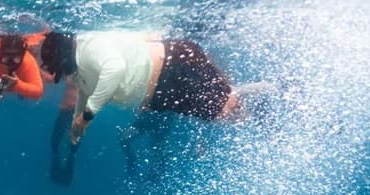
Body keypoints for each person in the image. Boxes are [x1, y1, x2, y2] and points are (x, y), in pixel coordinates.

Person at [38, 30, 272, 146]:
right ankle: (259, 110)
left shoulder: (89, 48)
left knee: (225, 106)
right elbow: (86, 90)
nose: (54, 72)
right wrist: (78, 123)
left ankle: (267, 93)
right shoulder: (77, 67)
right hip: (159, 92)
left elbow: (115, 69)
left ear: (62, 55)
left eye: (53, 65)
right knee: (221, 114)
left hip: (173, 66)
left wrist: (87, 115)